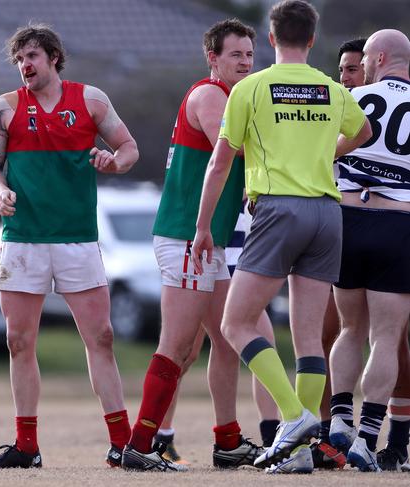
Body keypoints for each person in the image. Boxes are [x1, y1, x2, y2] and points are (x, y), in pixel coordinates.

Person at [192, 0, 372, 475]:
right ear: (312, 40)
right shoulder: (331, 88)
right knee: (308, 335)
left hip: (277, 209)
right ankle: (298, 456)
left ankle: (293, 418)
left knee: (235, 324)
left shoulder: (250, 87)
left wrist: (203, 226)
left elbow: (220, 162)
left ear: (270, 39)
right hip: (327, 213)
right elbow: (365, 130)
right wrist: (327, 151)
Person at [0, 24, 138, 469]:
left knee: (101, 337)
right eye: (19, 60)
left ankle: (122, 444)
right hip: (23, 240)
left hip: (77, 239)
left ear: (53, 57)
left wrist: (113, 161)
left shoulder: (91, 100)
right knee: (18, 340)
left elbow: (129, 149)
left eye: (32, 56)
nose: (25, 65)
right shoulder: (5, 108)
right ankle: (26, 446)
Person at [121, 18, 276, 472]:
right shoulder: (211, 96)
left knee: (229, 341)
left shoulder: (233, 97)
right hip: (189, 237)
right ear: (213, 58)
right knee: (177, 345)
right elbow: (232, 150)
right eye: (236, 55)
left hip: (211, 243)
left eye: (250, 55)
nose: (246, 62)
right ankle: (140, 445)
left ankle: (227, 442)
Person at [328, 29, 410, 472]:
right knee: (386, 336)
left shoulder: (354, 97)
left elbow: (327, 151)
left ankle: (340, 416)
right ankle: (367, 438)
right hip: (398, 220)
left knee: (349, 328)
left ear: (378, 58)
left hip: (347, 217)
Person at [154, 206, 281, 467]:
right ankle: (159, 437)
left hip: (235, 261)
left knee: (245, 344)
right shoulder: (223, 169)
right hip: (212, 253)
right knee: (184, 351)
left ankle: (269, 437)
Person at [309, 37, 369, 472]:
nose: (346, 77)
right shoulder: (332, 112)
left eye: (354, 69)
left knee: (392, 339)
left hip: (388, 231)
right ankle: (329, 431)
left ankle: (392, 436)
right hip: (341, 229)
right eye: (343, 70)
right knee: (327, 331)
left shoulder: (379, 116)